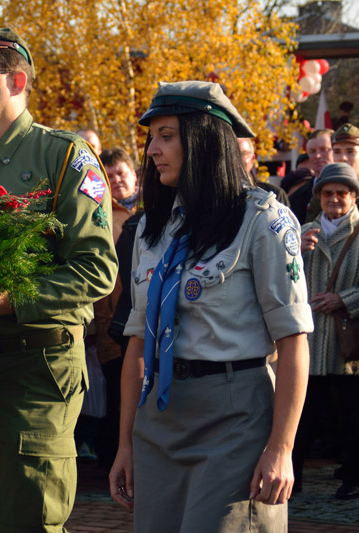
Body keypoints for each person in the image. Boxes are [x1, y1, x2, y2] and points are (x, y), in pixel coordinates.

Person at [0, 28, 118, 531]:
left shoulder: (64, 156)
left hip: (34, 369)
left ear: (15, 79)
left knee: (27, 519)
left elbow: (97, 268)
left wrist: (8, 299)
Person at [108, 81, 312, 532]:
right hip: (159, 418)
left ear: (202, 141)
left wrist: (281, 448)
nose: (153, 150)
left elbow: (294, 342)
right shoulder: (150, 231)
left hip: (235, 416)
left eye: (167, 136)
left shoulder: (263, 221)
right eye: (151, 138)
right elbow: (137, 346)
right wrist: (125, 444)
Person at [295, 162, 359, 500]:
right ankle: (293, 478)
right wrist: (293, 252)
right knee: (302, 412)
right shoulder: (304, 231)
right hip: (308, 339)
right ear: (319, 197)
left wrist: (343, 298)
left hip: (347, 343)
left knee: (352, 414)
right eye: (328, 193)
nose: (334, 199)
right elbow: (279, 278)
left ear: (353, 197)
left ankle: (353, 478)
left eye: (342, 194)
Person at [90, 147, 141, 468]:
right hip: (112, 321)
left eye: (122, 173)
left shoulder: (157, 210)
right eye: (109, 176)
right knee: (118, 397)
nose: (117, 180)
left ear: (135, 175)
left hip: (146, 314)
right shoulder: (99, 215)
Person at [236, 137, 290, 206]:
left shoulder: (274, 194)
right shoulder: (219, 195)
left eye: (243, 154)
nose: (236, 159)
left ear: (252, 159)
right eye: (231, 154)